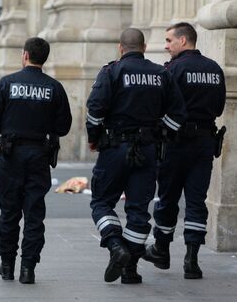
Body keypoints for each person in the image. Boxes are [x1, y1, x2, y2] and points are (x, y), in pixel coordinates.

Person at [86, 28, 186, 284]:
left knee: (102, 202)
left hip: (114, 148)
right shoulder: (161, 73)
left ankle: (114, 245)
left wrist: (94, 138)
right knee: (138, 210)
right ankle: (130, 270)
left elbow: (95, 110)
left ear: (121, 48)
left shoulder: (111, 71)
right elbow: (177, 115)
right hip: (148, 149)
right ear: (143, 47)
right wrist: (158, 133)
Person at [0, 37, 72, 284]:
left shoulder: (7, 83)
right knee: (34, 212)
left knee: (9, 211)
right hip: (39, 154)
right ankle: (28, 268)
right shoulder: (54, 87)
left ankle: (8, 264)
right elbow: (64, 126)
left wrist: (9, 127)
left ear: (24, 55)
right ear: (44, 58)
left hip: (11, 153)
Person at [142, 22, 226, 279]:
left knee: (167, 198)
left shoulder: (173, 70)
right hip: (204, 144)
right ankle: (192, 260)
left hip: (175, 143)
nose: (166, 46)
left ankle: (162, 250)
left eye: (169, 41)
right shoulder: (214, 69)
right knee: (196, 201)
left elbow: (160, 106)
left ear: (183, 40)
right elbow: (219, 108)